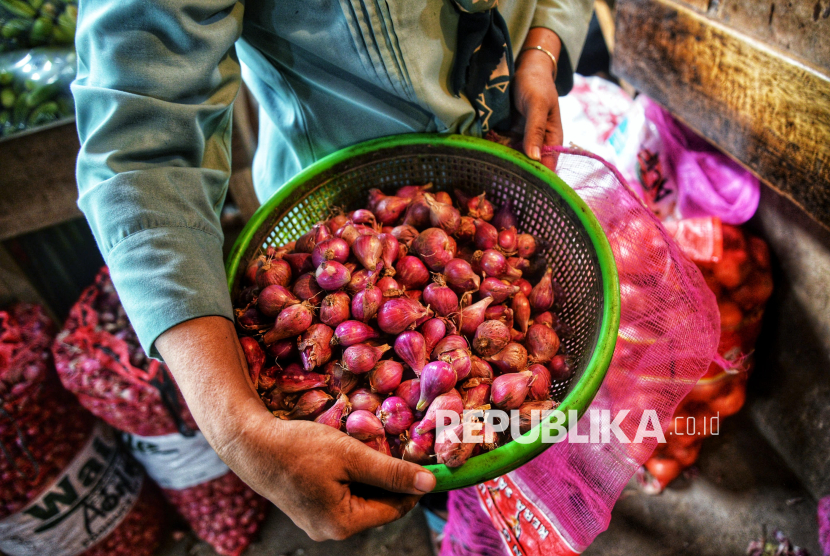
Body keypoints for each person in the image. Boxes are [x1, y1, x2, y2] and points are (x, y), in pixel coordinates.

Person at [71, 0, 592, 542]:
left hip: (509, 153)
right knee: (441, 471)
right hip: (331, 190)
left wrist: (540, 49)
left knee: (519, 443)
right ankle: (456, 520)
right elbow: (140, 136)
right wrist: (235, 431)